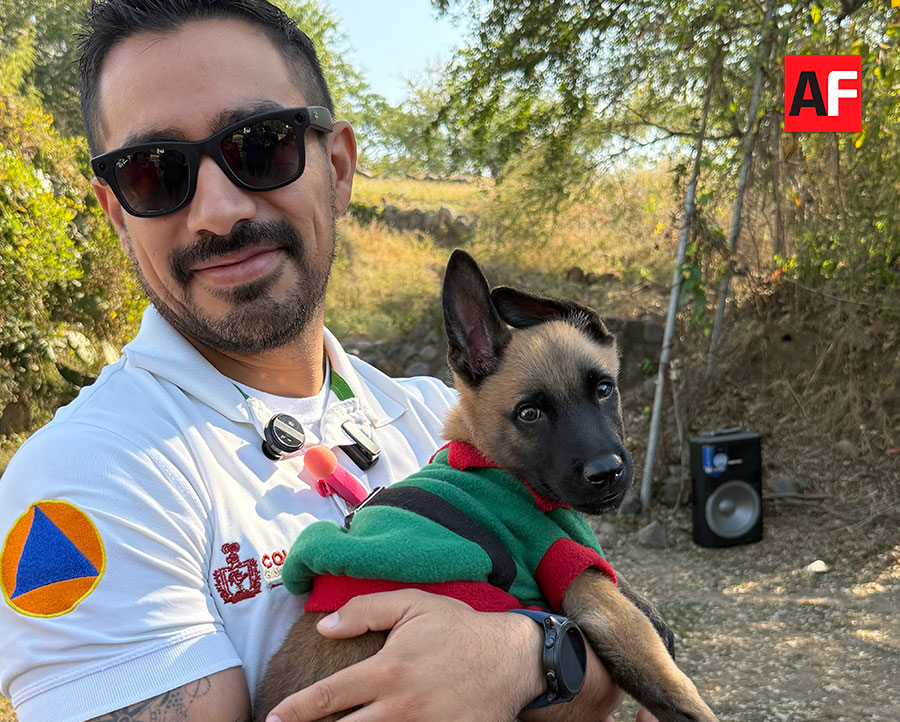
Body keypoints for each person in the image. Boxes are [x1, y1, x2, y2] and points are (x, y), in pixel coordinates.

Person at [0, 2, 657, 721]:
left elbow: (629, 632)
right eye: (153, 173)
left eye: (261, 145)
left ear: (338, 167)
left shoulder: (438, 415)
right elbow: (609, 645)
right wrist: (551, 657)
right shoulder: (87, 476)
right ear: (118, 213)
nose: (218, 210)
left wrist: (525, 657)